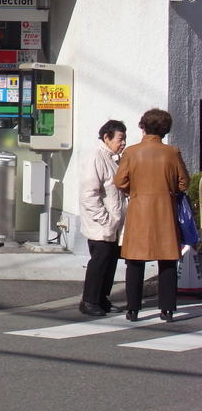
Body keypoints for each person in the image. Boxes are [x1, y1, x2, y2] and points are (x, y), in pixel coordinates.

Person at [114, 108, 190, 322]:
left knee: (135, 261)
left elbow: (120, 181)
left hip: (139, 211)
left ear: (143, 126)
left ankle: (133, 308)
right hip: (165, 210)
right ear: (165, 130)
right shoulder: (172, 152)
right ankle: (167, 309)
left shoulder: (131, 152)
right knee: (167, 261)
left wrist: (134, 191)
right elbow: (184, 182)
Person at [78, 119, 127, 316]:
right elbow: (89, 194)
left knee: (110, 261)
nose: (123, 143)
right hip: (101, 224)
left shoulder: (112, 158)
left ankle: (101, 299)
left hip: (113, 223)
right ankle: (89, 300)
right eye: (120, 138)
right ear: (106, 138)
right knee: (99, 261)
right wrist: (105, 219)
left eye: (124, 139)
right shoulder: (96, 157)